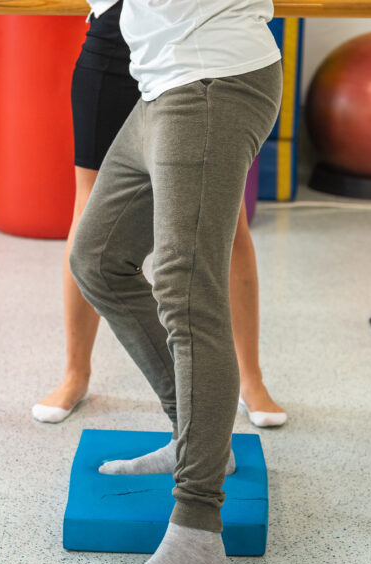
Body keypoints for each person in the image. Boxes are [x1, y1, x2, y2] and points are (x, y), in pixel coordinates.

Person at [68, 0, 283, 564]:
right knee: (98, 259)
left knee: (188, 294)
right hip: (160, 82)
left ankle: (195, 527)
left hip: (213, 81)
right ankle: (198, 437)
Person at [32, 0, 286, 430]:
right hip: (119, 34)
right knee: (90, 217)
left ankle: (249, 379)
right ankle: (76, 373)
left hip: (200, 47)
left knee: (226, 223)